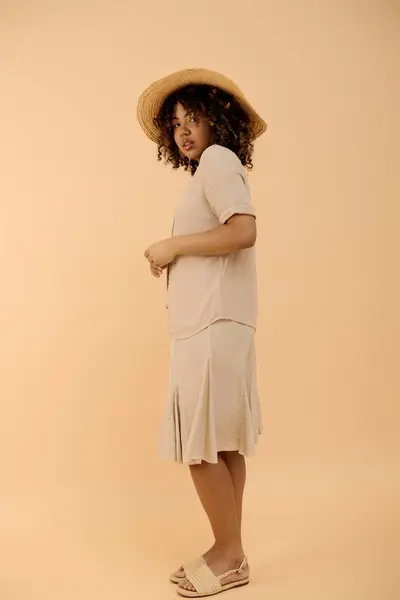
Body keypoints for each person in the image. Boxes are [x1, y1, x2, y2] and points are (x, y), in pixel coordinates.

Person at [137, 68, 267, 598]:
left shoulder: (217, 161)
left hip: (212, 326)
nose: (183, 131)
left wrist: (172, 247)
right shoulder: (211, 170)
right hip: (215, 323)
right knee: (224, 442)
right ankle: (229, 551)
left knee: (203, 446)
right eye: (175, 124)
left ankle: (229, 554)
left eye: (194, 118)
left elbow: (243, 231)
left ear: (220, 121)